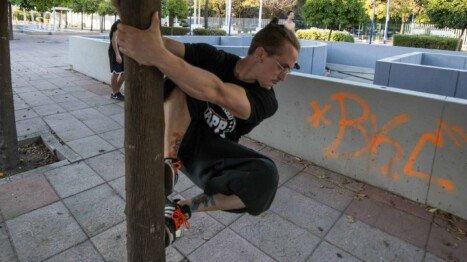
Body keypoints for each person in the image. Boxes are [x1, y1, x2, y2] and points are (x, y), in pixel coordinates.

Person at [114, 5, 300, 247]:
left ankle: (182, 209)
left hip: (209, 156)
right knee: (188, 81)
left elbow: (217, 91)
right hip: (174, 132)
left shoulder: (267, 100)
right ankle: (168, 167)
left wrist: (156, 54)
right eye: (282, 66)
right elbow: (161, 44)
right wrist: (124, 34)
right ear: (261, 54)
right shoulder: (215, 58)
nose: (284, 77)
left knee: (266, 177)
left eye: (290, 69)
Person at [108, 19, 125, 101]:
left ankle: (116, 92)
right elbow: (114, 40)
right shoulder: (118, 24)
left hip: (122, 51)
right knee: (116, 73)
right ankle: (114, 93)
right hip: (115, 51)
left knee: (125, 73)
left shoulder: (125, 24)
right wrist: (117, 54)